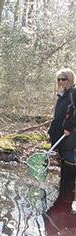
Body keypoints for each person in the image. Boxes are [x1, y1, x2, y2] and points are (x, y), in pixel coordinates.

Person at [48, 68, 76, 204]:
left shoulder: (74, 93)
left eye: (63, 79)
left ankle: (69, 185)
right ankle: (65, 183)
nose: (60, 82)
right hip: (59, 129)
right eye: (58, 79)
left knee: (68, 153)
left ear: (70, 80)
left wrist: (69, 127)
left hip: (69, 131)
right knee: (62, 153)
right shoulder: (63, 93)